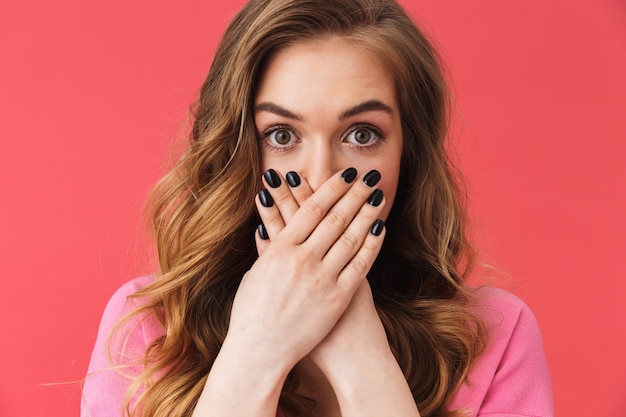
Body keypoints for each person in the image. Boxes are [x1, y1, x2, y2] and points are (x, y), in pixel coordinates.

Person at [81, 0, 554, 416]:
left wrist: (361, 354)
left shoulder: (493, 336)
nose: (323, 176)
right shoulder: (148, 330)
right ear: (237, 148)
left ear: (407, 153)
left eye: (362, 135)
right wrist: (256, 350)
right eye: (282, 136)